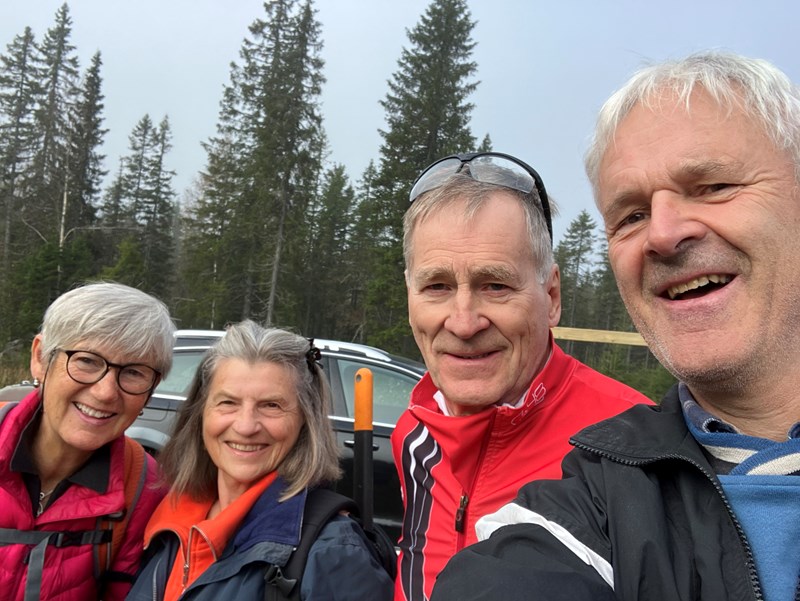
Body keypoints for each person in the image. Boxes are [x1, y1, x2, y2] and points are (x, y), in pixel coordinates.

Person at [430, 51, 800, 601]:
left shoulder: (600, 435)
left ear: (551, 297)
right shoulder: (598, 492)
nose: (663, 234)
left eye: (714, 186)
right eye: (630, 215)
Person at [393, 151, 651, 600]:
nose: (463, 321)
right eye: (437, 286)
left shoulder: (632, 447)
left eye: (495, 285)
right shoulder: (413, 431)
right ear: (410, 295)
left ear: (551, 297)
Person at [127, 320, 393, 601]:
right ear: (201, 412)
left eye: (271, 405)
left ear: (305, 420)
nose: (245, 426)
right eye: (228, 402)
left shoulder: (332, 551)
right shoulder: (166, 518)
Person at [0, 281, 175, 600]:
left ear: (152, 388)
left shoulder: (144, 491)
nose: (106, 392)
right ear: (40, 358)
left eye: (133, 372)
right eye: (87, 360)